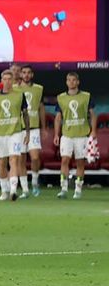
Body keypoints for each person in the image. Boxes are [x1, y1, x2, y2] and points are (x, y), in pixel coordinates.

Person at [0, 69, 32, 201]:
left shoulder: (20, 95)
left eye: (10, 79)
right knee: (2, 162)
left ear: (13, 80)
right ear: (1, 81)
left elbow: (25, 115)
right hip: (0, 133)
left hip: (15, 132)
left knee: (14, 160)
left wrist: (27, 132)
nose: (8, 82)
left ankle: (14, 190)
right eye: (5, 79)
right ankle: (4, 190)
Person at [54, 71, 93, 199]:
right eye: (69, 80)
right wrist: (56, 134)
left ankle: (78, 189)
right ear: (66, 82)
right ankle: (63, 188)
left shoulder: (86, 96)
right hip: (67, 134)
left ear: (78, 82)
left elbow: (93, 115)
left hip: (82, 134)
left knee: (80, 162)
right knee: (64, 160)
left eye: (73, 80)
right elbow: (58, 118)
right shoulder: (61, 98)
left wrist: (93, 131)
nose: (71, 82)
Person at [14, 66, 45, 197]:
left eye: (28, 73)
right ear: (21, 74)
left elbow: (41, 108)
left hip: (33, 128)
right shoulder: (15, 89)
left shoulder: (38, 89)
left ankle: (35, 182)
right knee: (21, 159)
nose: (26, 75)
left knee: (35, 157)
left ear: (32, 75)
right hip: (19, 129)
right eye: (24, 72)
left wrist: (43, 127)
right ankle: (25, 189)